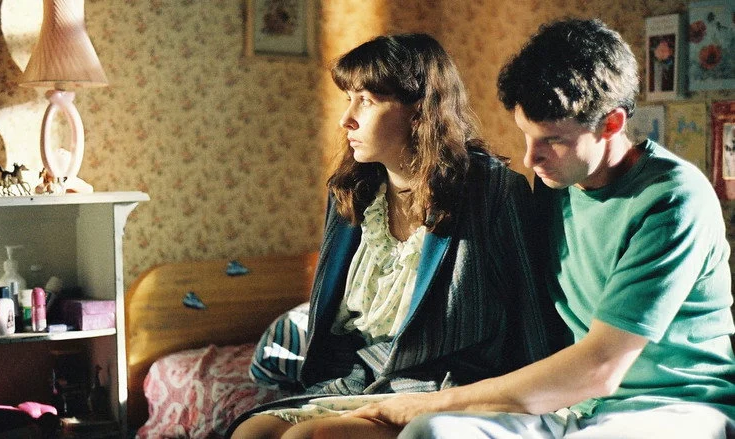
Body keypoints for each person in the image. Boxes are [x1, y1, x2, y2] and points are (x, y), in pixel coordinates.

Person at [335, 18, 735, 438]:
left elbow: (600, 367)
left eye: (553, 140)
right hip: (574, 404)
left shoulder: (672, 198)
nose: (530, 159)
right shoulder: (555, 184)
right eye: (526, 135)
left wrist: (430, 401)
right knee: (431, 432)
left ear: (612, 124)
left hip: (675, 405)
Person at [228, 33, 565, 439]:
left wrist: (541, 407)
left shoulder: (492, 191)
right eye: (348, 98)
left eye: (366, 101)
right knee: (251, 432)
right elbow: (333, 329)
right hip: (357, 380)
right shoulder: (351, 193)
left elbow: (530, 311)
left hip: (442, 386)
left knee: (310, 438)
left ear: (418, 110)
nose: (346, 118)